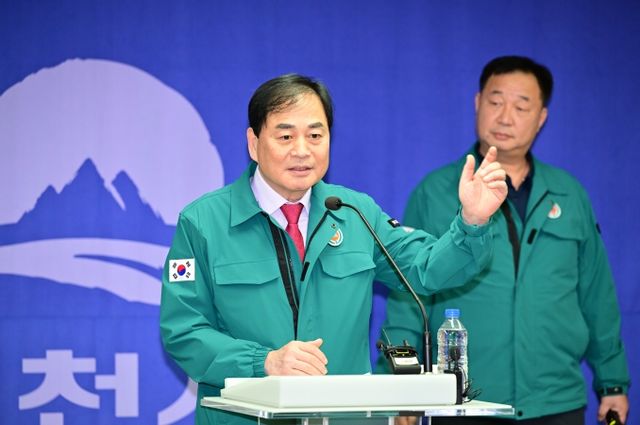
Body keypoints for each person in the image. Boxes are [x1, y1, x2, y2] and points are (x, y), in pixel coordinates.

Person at [159, 73, 507, 424]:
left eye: (315, 135)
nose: (302, 150)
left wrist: (472, 221)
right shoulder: (204, 223)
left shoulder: (354, 213)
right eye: (285, 136)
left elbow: (426, 268)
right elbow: (184, 331)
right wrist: (263, 362)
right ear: (254, 143)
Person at [377, 56, 630, 425]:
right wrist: (400, 387)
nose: (505, 117)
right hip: (463, 400)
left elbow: (597, 296)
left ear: (541, 117)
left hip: (555, 401)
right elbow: (407, 296)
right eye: (495, 102)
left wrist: (612, 383)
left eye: (521, 107)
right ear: (478, 103)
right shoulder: (436, 192)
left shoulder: (569, 195)